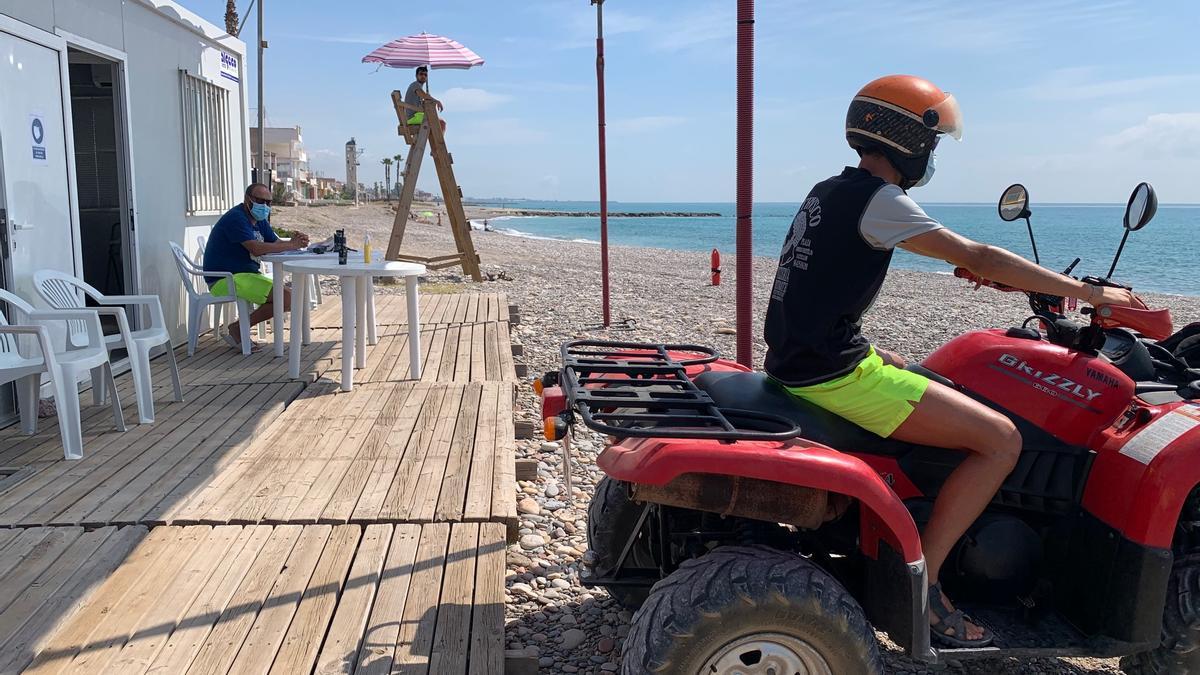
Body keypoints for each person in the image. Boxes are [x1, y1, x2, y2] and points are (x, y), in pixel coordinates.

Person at [762, 74, 1144, 648]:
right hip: (831, 373)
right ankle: (926, 585)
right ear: (910, 140)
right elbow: (980, 252)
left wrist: (980, 271)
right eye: (933, 144)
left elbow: (882, 255)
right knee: (1000, 439)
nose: (933, 156)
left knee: (926, 374)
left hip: (800, 353)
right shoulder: (882, 200)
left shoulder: (829, 190)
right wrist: (1092, 295)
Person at [203, 183, 309, 350]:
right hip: (225, 279)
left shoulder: (259, 220)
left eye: (269, 202)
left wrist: (295, 242)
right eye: (260, 201)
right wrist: (291, 245)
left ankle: (239, 327)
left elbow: (274, 243)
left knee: (290, 297)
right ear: (248, 200)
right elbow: (256, 248)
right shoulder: (236, 218)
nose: (265, 206)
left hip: (245, 276)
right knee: (288, 298)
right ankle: (238, 328)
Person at [404, 66, 447, 132]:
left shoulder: (418, 87)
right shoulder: (415, 85)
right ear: (416, 76)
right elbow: (423, 95)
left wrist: (427, 99)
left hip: (416, 116)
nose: (423, 76)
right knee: (441, 123)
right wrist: (437, 101)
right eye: (421, 74)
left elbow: (423, 97)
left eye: (425, 75)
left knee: (438, 123)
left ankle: (435, 141)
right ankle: (440, 142)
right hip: (413, 117)